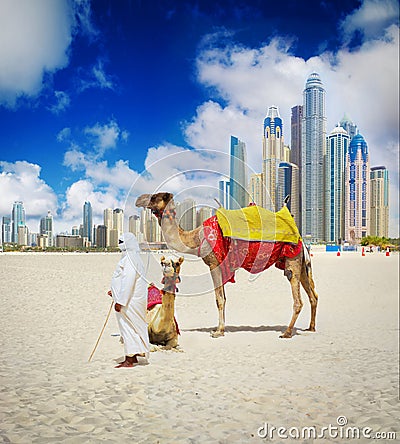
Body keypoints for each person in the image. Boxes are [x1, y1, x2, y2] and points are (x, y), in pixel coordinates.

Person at [108, 233, 150, 368]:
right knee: (133, 326)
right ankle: (134, 355)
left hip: (130, 301)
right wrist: (114, 292)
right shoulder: (130, 257)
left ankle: (129, 359)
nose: (120, 244)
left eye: (122, 242)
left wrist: (120, 301)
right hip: (131, 299)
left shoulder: (131, 259)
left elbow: (128, 281)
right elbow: (123, 280)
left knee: (128, 327)